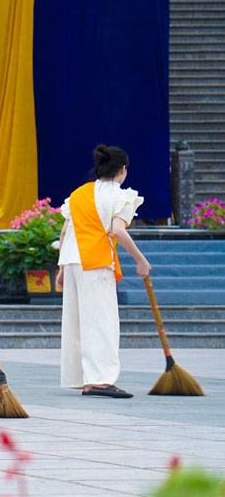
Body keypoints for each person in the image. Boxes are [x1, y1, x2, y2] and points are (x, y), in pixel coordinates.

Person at [56, 145, 149, 398]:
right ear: (122, 170)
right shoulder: (121, 196)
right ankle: (100, 380)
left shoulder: (78, 194)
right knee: (101, 321)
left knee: (76, 321)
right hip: (95, 261)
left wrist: (62, 267)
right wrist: (141, 260)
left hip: (73, 260)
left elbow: (66, 231)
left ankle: (81, 377)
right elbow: (118, 230)